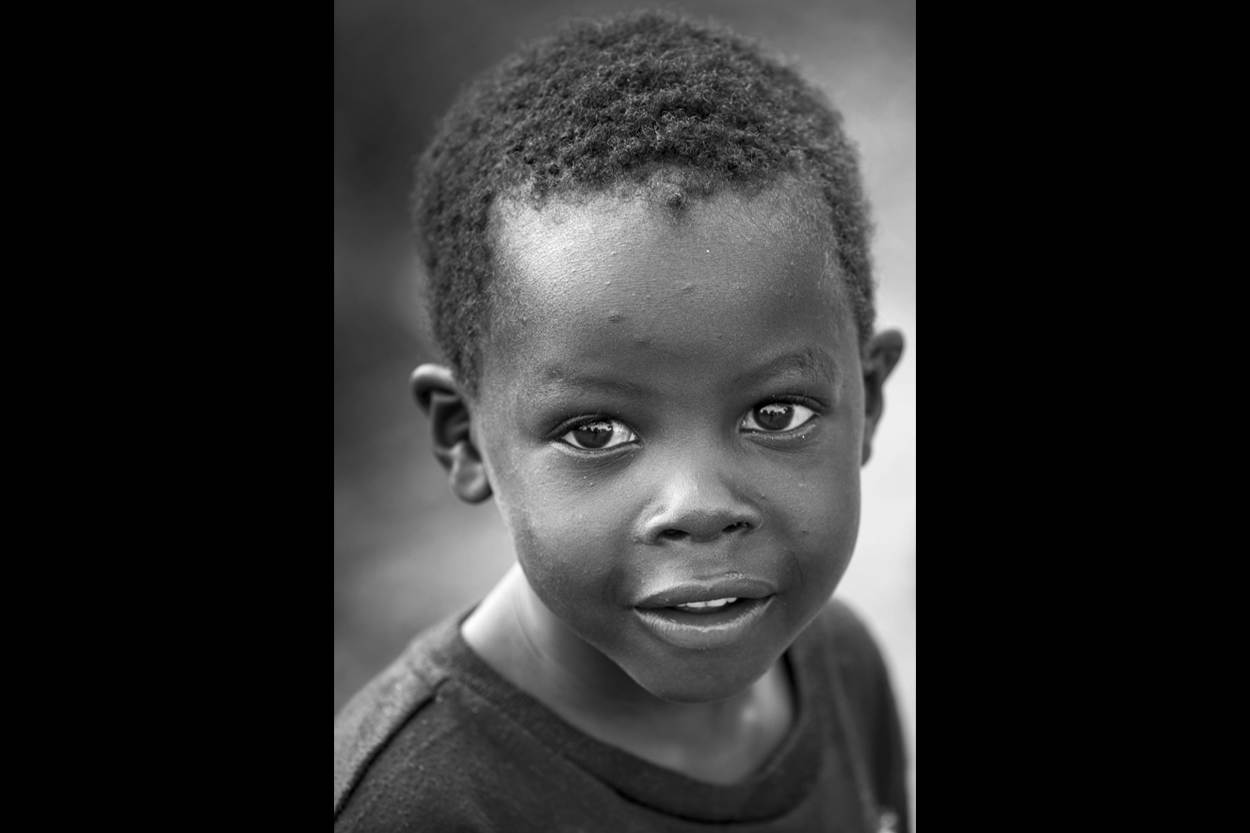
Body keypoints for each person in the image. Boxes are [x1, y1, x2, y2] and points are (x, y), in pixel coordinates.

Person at [334, 10, 910, 832]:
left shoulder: (841, 667)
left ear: (869, 402)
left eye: (775, 412)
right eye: (596, 432)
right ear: (464, 438)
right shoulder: (415, 806)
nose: (698, 505)